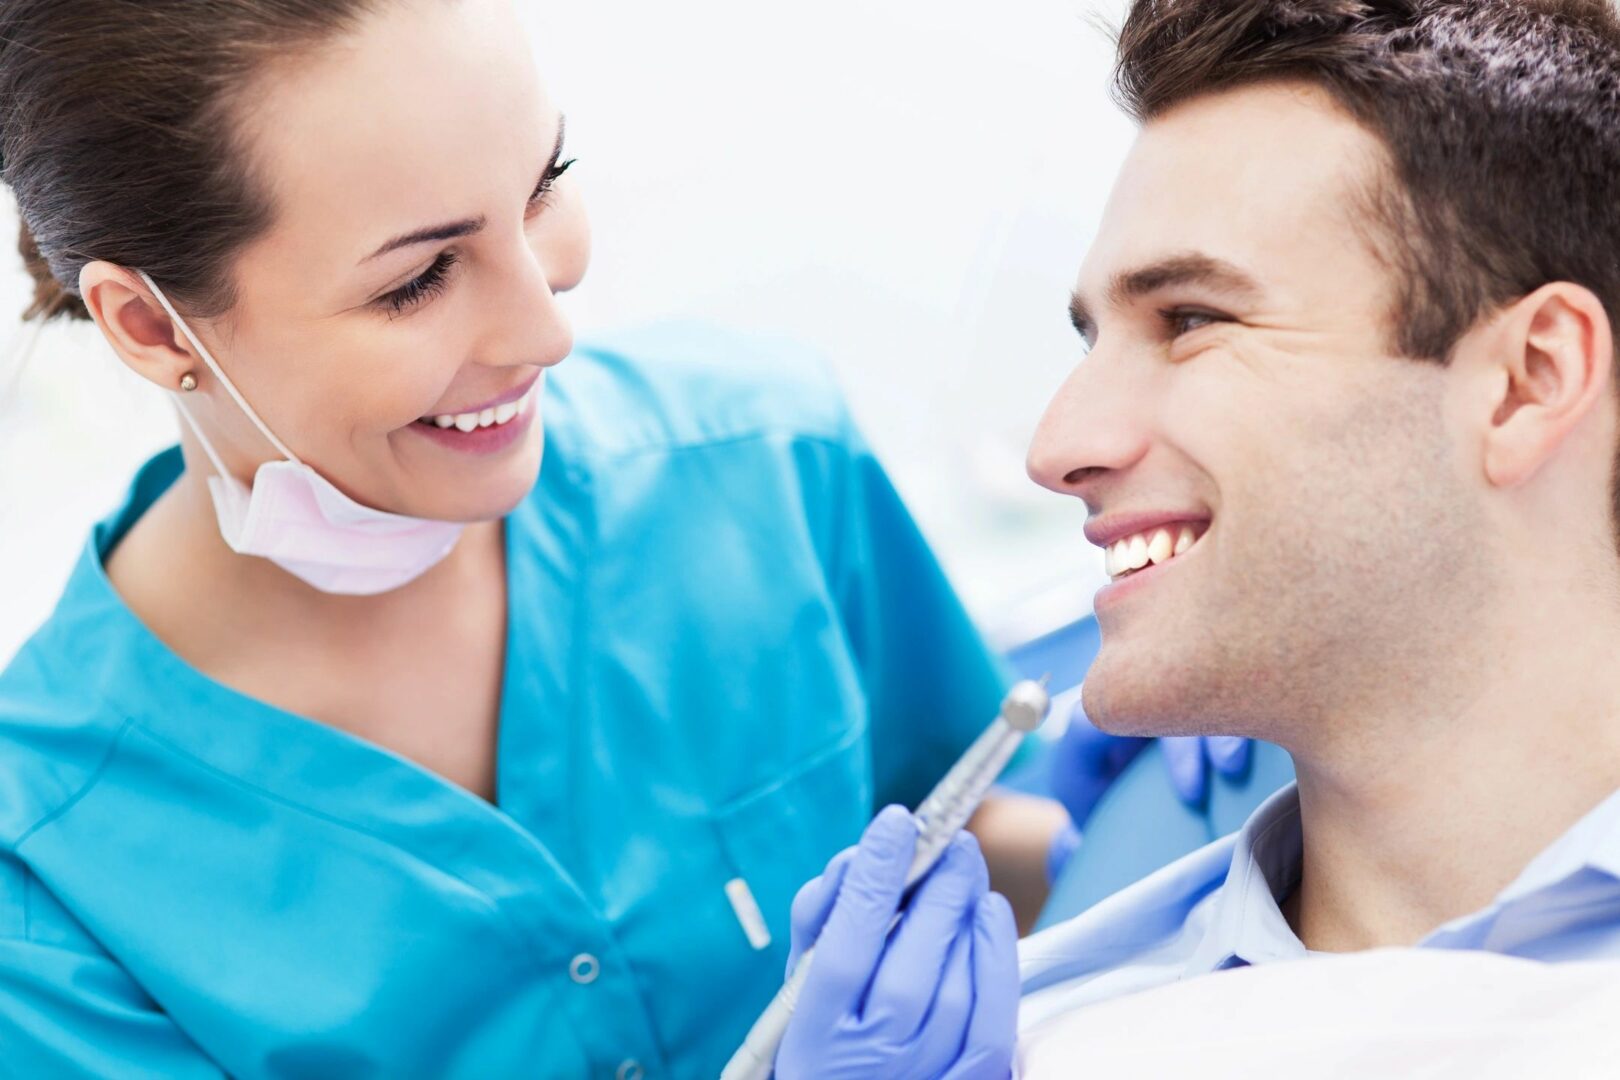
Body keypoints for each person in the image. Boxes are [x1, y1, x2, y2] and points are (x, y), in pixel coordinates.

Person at [0, 1, 1110, 1075]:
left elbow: (955, 834)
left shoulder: (765, 461)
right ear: (149, 326)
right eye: (418, 279)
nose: (547, 329)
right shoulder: (49, 891)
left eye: (544, 188)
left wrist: (1155, 822)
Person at [777, 0, 1620, 1075]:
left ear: (1524, 383)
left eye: (1189, 320)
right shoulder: (1037, 1036)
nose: (1056, 447)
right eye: (1092, 337)